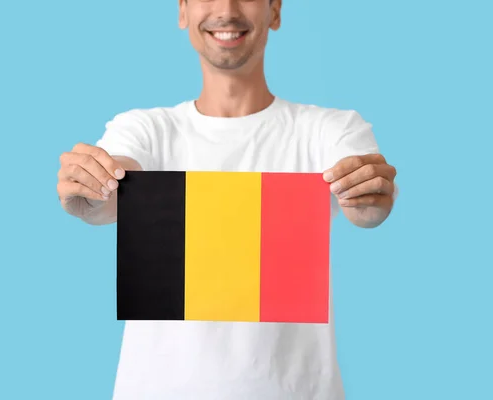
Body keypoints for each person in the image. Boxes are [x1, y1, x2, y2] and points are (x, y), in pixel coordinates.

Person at [56, 0, 398, 398]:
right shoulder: (143, 129)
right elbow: (115, 187)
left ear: (275, 11)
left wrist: (369, 198)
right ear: (182, 11)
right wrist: (91, 187)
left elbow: (366, 206)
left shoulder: (331, 130)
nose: (226, 8)